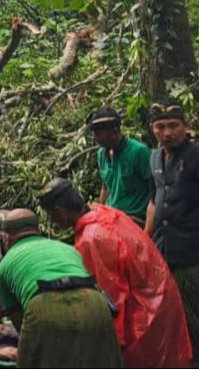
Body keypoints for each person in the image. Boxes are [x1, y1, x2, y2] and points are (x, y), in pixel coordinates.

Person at [40, 178, 193, 368]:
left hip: (146, 315)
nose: (52, 221)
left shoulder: (92, 238)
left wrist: (113, 348)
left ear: (59, 212)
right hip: (160, 299)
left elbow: (112, 299)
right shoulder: (105, 212)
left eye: (51, 215)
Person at [0, 209, 122, 368]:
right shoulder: (67, 248)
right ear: (39, 230)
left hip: (44, 303)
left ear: (6, 238)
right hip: (94, 301)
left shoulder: (3, 265)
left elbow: (20, 322)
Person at [147, 99, 199, 363]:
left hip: (191, 253)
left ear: (185, 126)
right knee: (171, 315)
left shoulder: (195, 155)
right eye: (160, 126)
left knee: (193, 314)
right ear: (152, 129)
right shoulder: (154, 157)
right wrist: (145, 241)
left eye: (173, 126)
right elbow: (154, 200)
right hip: (163, 250)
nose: (167, 133)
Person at [88, 107, 152, 225]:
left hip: (135, 219)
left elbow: (154, 191)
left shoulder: (138, 151)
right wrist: (100, 212)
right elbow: (105, 187)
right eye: (94, 133)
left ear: (115, 130)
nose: (95, 137)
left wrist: (148, 230)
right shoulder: (101, 153)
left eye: (98, 133)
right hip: (111, 218)